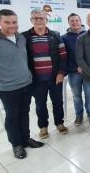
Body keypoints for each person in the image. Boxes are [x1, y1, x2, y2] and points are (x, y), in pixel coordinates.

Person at [0, 9, 44, 159]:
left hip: (26, 84)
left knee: (24, 114)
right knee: (12, 117)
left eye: (14, 22)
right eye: (7, 22)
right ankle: (16, 145)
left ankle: (26, 139)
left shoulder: (21, 38)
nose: (11, 25)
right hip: (8, 89)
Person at [22, 9, 68, 139]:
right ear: (31, 20)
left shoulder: (55, 35)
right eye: (35, 18)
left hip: (55, 77)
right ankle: (43, 127)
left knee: (58, 102)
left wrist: (61, 73)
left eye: (41, 18)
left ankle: (59, 123)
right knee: (40, 104)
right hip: (36, 79)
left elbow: (63, 56)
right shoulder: (24, 37)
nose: (38, 20)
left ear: (46, 20)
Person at [62, 13, 87, 125]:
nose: (75, 23)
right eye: (72, 21)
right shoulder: (64, 38)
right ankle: (79, 115)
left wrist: (86, 67)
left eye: (77, 20)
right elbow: (64, 57)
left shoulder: (89, 34)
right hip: (74, 72)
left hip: (88, 72)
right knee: (77, 96)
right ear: (69, 23)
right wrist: (76, 67)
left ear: (80, 21)